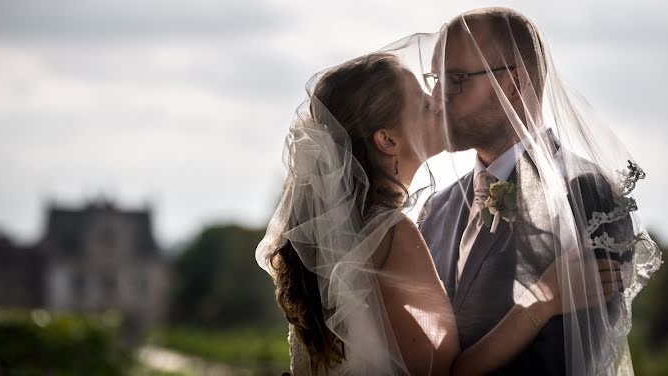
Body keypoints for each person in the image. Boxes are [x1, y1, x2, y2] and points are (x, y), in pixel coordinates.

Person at [256, 52, 623, 375]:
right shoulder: (392, 236)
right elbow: (449, 372)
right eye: (423, 105)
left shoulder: (339, 238)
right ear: (387, 140)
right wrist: (541, 300)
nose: (441, 102)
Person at [416, 7, 662, 375]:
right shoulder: (436, 209)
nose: (436, 98)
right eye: (435, 79)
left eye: (456, 79)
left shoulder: (586, 195)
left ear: (513, 84)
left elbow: (576, 357)